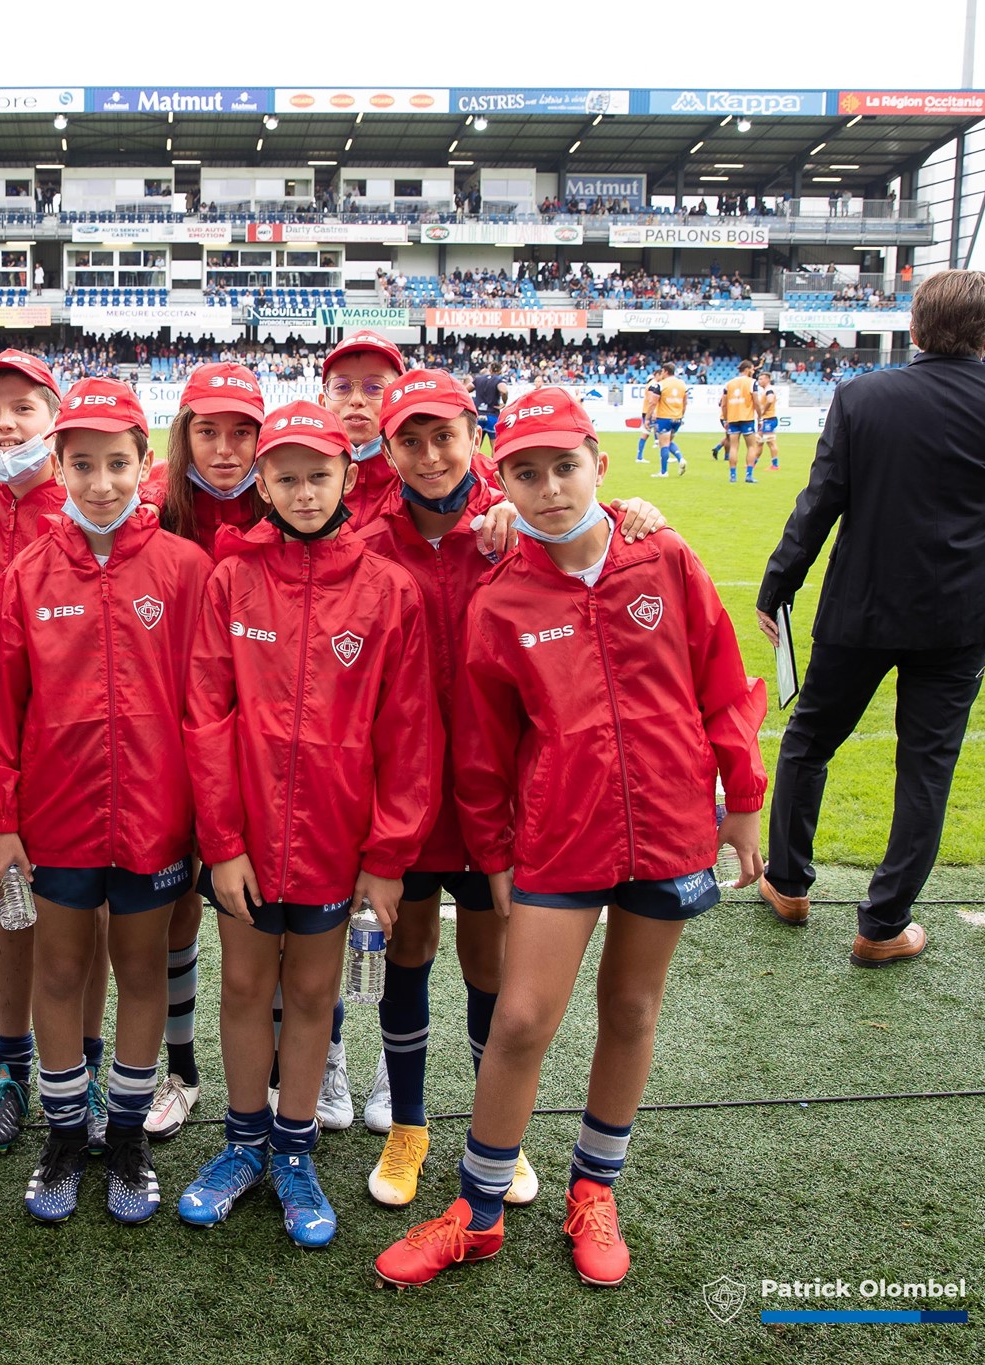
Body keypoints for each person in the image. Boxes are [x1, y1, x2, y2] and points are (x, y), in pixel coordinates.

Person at [374, 389, 766, 1290]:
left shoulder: (665, 557)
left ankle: (595, 1187)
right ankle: (474, 1210)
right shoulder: (502, 596)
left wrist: (742, 798)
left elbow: (719, 682)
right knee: (519, 1019)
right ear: (499, 480)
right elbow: (483, 749)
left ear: (599, 462)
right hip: (560, 836)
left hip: (669, 828)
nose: (550, 488)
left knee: (631, 1009)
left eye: (565, 466)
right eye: (527, 471)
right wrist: (500, 854)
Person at [355, 372, 671, 1206]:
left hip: (505, 792)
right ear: (386, 452)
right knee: (408, 951)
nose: (429, 457)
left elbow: (596, 531)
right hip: (405, 791)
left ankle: (498, 1134)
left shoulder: (512, 521)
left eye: (444, 438)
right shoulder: (364, 535)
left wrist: (639, 510)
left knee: (492, 962)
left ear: (473, 439)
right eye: (409, 442)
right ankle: (408, 1127)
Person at [177, 400, 439, 1248]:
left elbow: (409, 730)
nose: (299, 491)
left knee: (315, 994)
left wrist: (388, 855)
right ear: (262, 480)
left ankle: (294, 1152)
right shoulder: (232, 577)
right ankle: (243, 1141)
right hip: (246, 842)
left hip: (337, 845)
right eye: (283, 477)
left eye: (317, 475)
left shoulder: (386, 587)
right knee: (248, 989)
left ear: (350, 476)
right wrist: (223, 845)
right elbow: (206, 717)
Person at [0, 377, 211, 1225]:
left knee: (142, 969)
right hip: (59, 819)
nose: (101, 482)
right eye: (83, 465)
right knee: (62, 971)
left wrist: (208, 819)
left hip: (156, 819)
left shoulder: (185, 569)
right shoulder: (29, 572)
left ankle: (129, 1135)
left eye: (118, 462)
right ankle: (66, 1133)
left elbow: (210, 706)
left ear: (146, 464)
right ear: (61, 470)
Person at [755, 269, 985, 965]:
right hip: (959, 616)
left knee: (809, 739)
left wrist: (777, 587)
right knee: (926, 768)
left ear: (914, 327)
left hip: (861, 607)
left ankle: (786, 884)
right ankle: (882, 925)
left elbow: (820, 503)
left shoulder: (863, 396)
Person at [0, 348, 109, 1156]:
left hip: (84, 752)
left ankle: (80, 1070)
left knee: (83, 922)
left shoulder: (92, 498)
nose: (6, 423)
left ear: (53, 418)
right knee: (14, 917)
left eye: (23, 407)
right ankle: (15, 1068)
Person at [139, 361, 267, 1142]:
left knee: (278, 914)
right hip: (167, 736)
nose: (224, 448)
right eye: (207, 430)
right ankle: (180, 1070)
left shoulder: (294, 489)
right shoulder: (155, 501)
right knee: (179, 909)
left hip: (264, 743)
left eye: (241, 431)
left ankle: (297, 1070)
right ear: (183, 432)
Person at [318, 331, 406, 531]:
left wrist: (494, 505)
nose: (356, 399)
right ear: (323, 402)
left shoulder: (431, 468)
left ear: (399, 399)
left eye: (374, 387)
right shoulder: (291, 471)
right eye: (341, 387)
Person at [719, 359, 763, 484]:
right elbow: (756, 401)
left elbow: (723, 404)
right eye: (752, 369)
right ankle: (749, 475)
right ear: (748, 369)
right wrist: (760, 417)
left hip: (732, 418)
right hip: (747, 418)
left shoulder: (729, 384)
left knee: (734, 447)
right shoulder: (751, 382)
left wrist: (726, 418)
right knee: (751, 446)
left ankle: (733, 476)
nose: (753, 371)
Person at [647, 364, 687, 477]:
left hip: (664, 417)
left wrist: (647, 418)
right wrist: (681, 415)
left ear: (665, 371)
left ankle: (664, 472)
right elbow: (685, 403)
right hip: (677, 418)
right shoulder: (682, 384)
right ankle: (680, 458)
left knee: (663, 443)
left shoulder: (661, 385)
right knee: (669, 442)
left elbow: (653, 402)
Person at [470, 362, 504, 455]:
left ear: (490, 369)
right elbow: (504, 390)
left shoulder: (479, 379)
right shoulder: (498, 380)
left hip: (478, 415)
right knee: (494, 447)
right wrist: (504, 402)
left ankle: (472, 468)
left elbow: (464, 390)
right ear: (500, 371)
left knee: (474, 447)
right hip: (491, 415)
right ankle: (494, 469)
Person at [757, 369, 780, 470]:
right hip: (766, 419)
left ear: (767, 379)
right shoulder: (765, 390)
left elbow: (770, 400)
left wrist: (762, 411)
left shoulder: (769, 390)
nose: (759, 381)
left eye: (761, 379)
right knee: (759, 441)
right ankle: (753, 463)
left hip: (769, 419)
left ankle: (775, 465)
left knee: (771, 443)